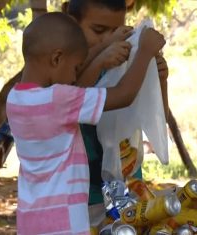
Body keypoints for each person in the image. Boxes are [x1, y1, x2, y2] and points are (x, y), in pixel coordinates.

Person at [6, 12, 165, 234]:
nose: (74, 77)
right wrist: (145, 52)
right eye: (75, 68)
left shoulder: (15, 100)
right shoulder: (58, 100)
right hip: (65, 223)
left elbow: (77, 89)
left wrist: (104, 47)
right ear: (56, 59)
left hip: (30, 221)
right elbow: (123, 95)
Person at [62, 0, 169, 226]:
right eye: (99, 31)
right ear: (72, 24)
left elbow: (157, 115)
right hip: (84, 197)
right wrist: (102, 55)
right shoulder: (61, 68)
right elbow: (75, 100)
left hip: (127, 189)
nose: (112, 38)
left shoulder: (125, 64)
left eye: (117, 30)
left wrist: (159, 79)